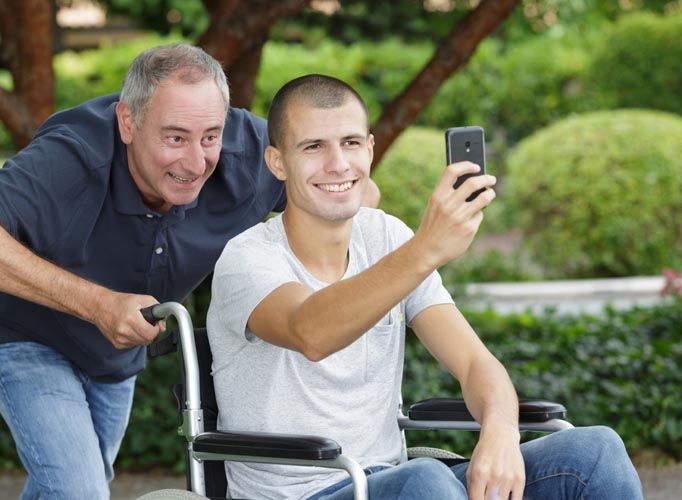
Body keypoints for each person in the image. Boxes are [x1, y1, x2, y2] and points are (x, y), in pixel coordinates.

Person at [0, 44, 377, 500]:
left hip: (112, 354)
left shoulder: (252, 151)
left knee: (68, 485)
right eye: (175, 138)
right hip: (21, 329)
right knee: (79, 491)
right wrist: (97, 303)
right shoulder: (73, 154)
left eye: (210, 136)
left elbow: (355, 192)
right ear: (128, 122)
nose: (196, 163)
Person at [207, 74, 643, 500]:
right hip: (309, 491)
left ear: (371, 149)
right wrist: (427, 248)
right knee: (426, 481)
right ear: (277, 162)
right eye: (313, 146)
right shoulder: (247, 259)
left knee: (595, 451)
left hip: (396, 483)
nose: (338, 163)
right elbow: (311, 332)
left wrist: (501, 432)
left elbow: (476, 365)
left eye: (351, 143)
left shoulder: (387, 238)